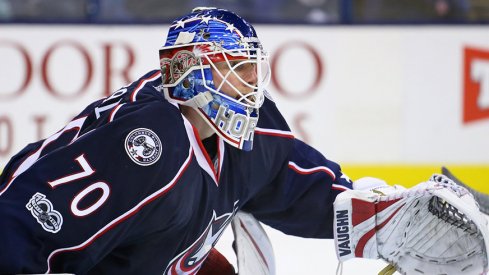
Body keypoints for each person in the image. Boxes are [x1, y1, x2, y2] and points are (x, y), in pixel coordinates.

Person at [0, 7, 487, 275]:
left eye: (254, 68)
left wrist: (373, 217)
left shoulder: (253, 132)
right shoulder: (147, 145)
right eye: (237, 70)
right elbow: (21, 225)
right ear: (190, 73)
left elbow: (295, 183)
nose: (252, 85)